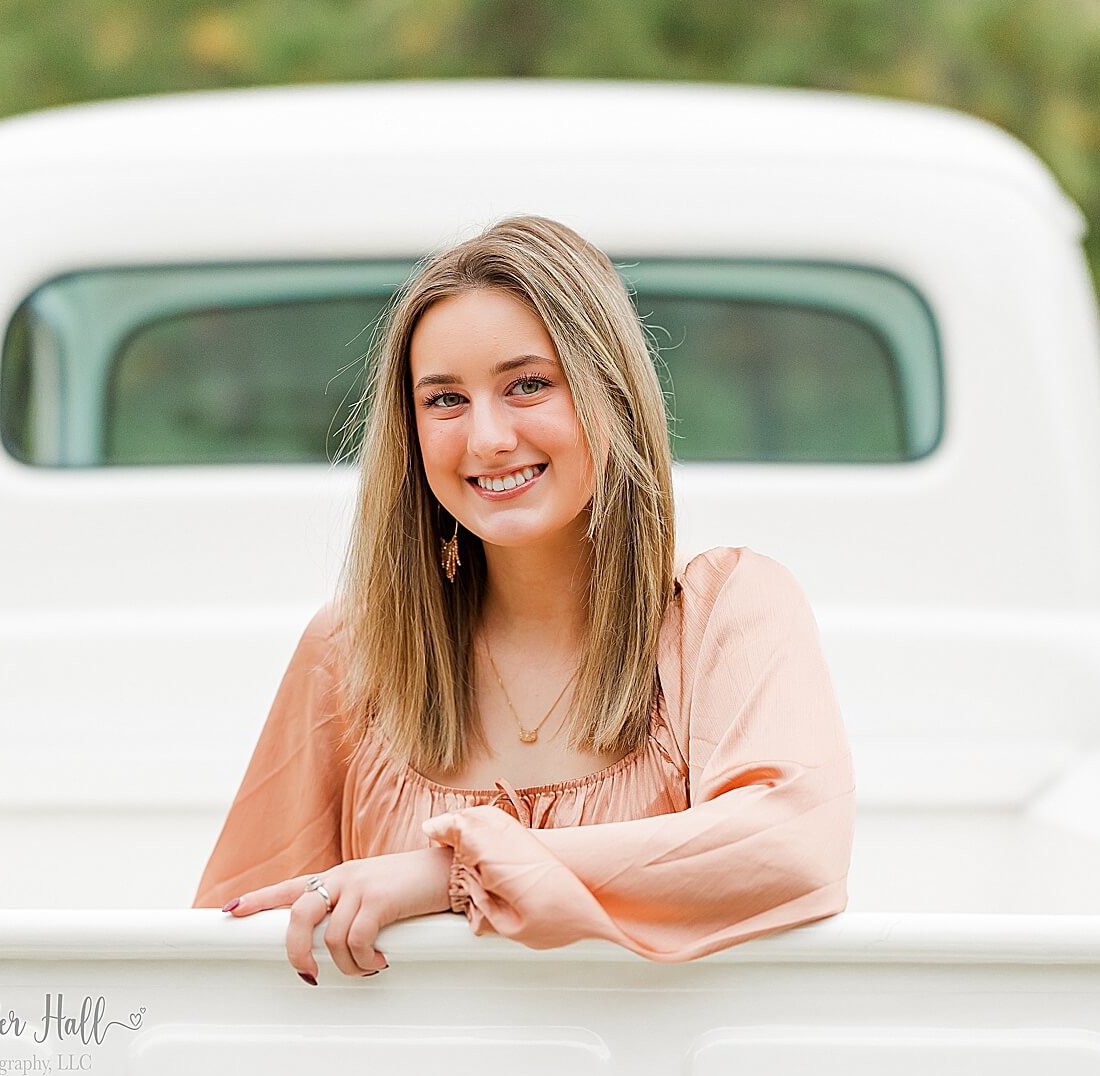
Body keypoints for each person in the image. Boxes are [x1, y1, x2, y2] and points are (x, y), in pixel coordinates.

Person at [192, 215, 856, 985]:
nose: (488, 438)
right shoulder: (351, 652)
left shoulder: (726, 612)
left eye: (529, 385)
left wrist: (449, 874)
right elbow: (230, 953)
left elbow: (791, 847)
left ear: (611, 392)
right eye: (444, 400)